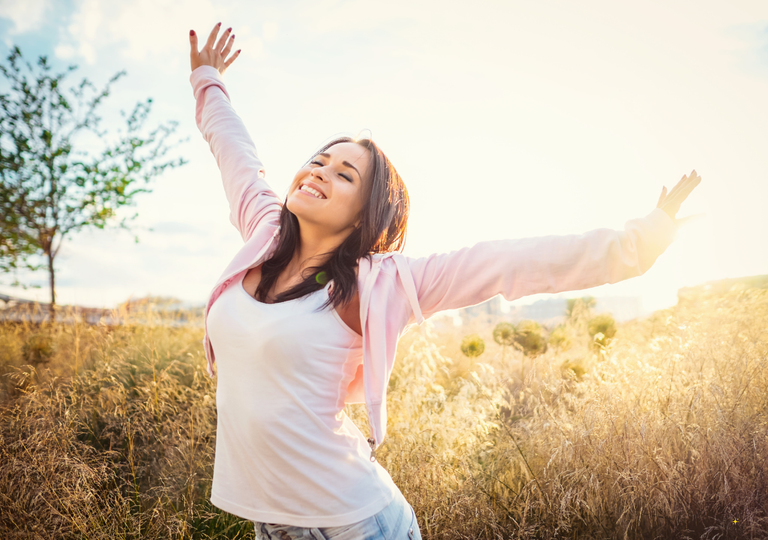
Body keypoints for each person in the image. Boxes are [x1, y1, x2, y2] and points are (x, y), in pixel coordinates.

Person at [188, 22, 700, 540]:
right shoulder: (263, 234)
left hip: (355, 525)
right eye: (318, 161)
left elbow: (508, 261)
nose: (319, 172)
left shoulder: (376, 285)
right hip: (270, 523)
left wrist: (639, 243)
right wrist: (208, 78)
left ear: (366, 215)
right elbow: (236, 153)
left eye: (345, 174)